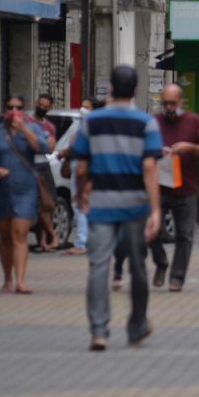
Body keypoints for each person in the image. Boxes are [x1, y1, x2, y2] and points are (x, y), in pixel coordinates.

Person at [73, 66, 163, 352]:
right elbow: (149, 166)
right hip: (134, 204)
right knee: (137, 266)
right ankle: (136, 325)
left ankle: (99, 331)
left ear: (110, 88)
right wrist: (156, 209)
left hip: (101, 203)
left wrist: (80, 193)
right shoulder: (146, 122)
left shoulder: (92, 122)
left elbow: (82, 164)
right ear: (136, 89)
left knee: (99, 266)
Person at [0, 95, 48, 295]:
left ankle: (21, 281)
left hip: (25, 188)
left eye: (18, 107)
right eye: (10, 107)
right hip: (1, 187)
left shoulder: (32, 129)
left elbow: (42, 147)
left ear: (23, 110)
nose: (13, 111)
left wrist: (24, 128)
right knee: (6, 234)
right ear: (5, 109)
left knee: (20, 233)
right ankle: (7, 279)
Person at [148, 84, 199, 292]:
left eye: (172, 103)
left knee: (185, 234)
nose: (168, 107)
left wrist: (189, 147)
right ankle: (161, 263)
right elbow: (142, 149)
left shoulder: (193, 121)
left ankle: (177, 277)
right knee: (152, 231)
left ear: (181, 102)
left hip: (186, 188)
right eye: (165, 103)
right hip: (159, 187)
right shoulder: (155, 122)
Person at [61, 98, 96, 255]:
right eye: (82, 106)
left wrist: (67, 152)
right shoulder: (80, 129)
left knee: (80, 204)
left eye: (87, 107)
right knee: (80, 205)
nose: (83, 110)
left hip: (84, 170)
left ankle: (82, 242)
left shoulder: (91, 129)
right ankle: (86, 240)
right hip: (79, 169)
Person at [32, 94, 60, 252]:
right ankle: (50, 236)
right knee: (39, 204)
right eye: (40, 104)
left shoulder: (49, 126)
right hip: (30, 165)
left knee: (49, 203)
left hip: (43, 164)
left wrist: (38, 143)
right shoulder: (27, 122)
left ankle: (44, 239)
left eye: (45, 106)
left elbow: (50, 147)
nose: (42, 108)